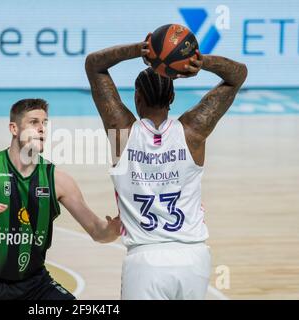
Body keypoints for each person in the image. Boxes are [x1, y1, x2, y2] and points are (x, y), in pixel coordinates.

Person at [85, 39, 247, 299]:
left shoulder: (121, 133)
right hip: (193, 258)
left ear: (137, 97)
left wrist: (140, 49)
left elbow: (94, 66)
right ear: (172, 97)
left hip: (145, 261)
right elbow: (238, 75)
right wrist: (200, 62)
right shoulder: (193, 132)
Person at [0, 98, 120, 300]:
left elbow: (98, 232)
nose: (42, 129)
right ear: (14, 128)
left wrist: (114, 229)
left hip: (33, 286)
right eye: (33, 122)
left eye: (45, 123)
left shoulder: (58, 180)